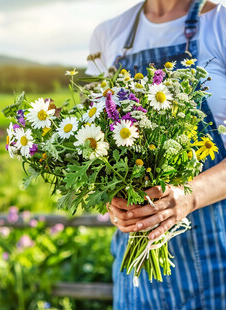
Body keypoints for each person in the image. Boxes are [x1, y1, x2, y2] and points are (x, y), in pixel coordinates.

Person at [86, 0, 226, 309]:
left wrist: (189, 196)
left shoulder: (220, 24)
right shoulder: (110, 35)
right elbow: (94, 138)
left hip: (216, 264)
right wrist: (114, 201)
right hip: (135, 279)